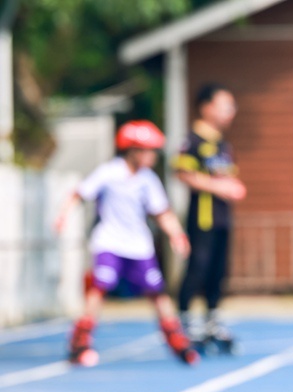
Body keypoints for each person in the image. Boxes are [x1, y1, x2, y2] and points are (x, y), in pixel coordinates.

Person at [54, 120, 198, 366]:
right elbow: (79, 193)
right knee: (99, 288)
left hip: (138, 245)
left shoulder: (148, 179)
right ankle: (80, 342)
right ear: (132, 151)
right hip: (109, 242)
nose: (152, 155)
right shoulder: (109, 172)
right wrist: (63, 216)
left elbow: (162, 212)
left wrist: (177, 234)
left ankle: (176, 341)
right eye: (148, 150)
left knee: (158, 292)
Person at [173, 83, 246, 352]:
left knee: (218, 270)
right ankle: (184, 322)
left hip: (222, 217)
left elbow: (228, 176)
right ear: (206, 107)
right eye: (224, 105)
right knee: (197, 268)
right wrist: (219, 187)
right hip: (202, 218)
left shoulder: (223, 145)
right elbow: (182, 173)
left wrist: (232, 185)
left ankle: (212, 320)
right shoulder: (192, 141)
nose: (231, 111)